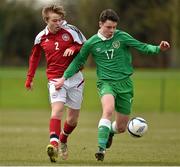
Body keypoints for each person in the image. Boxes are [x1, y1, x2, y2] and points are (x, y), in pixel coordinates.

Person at [54, 9, 170, 161]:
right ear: (100, 24)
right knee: (108, 110)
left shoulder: (122, 37)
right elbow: (78, 61)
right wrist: (64, 78)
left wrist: (158, 48)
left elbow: (141, 46)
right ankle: (101, 149)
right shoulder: (91, 43)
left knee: (121, 127)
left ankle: (110, 132)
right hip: (106, 83)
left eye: (114, 27)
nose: (112, 30)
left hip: (125, 84)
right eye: (109, 27)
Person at [25, 4, 86, 162]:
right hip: (54, 79)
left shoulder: (71, 30)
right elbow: (35, 57)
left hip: (75, 79)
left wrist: (74, 48)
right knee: (57, 110)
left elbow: (85, 46)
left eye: (60, 20)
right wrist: (29, 78)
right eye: (55, 20)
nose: (58, 23)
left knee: (72, 120)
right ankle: (53, 143)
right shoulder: (41, 37)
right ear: (46, 20)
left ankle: (63, 139)